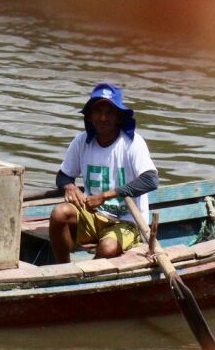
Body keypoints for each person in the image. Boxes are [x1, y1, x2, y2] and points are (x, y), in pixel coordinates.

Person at [48, 83, 159, 264]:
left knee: (107, 248)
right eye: (98, 112)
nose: (103, 118)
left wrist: (105, 196)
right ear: (90, 116)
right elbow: (63, 175)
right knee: (59, 213)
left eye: (109, 113)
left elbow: (151, 180)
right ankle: (63, 268)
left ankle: (90, 275)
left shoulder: (132, 143)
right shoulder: (81, 141)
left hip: (126, 221)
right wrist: (68, 186)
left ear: (117, 117)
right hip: (93, 215)